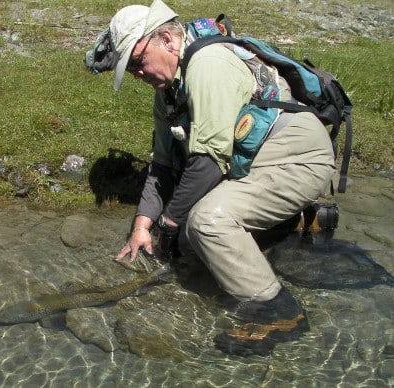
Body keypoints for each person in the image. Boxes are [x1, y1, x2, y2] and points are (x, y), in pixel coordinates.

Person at [98, 0, 335, 356]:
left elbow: (208, 164)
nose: (137, 73)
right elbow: (162, 166)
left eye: (137, 60)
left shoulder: (207, 66)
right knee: (193, 226)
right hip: (259, 163)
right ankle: (300, 221)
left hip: (298, 158)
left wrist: (169, 225)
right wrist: (142, 226)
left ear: (166, 38)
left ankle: (279, 312)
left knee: (207, 222)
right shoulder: (168, 93)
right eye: (129, 68)